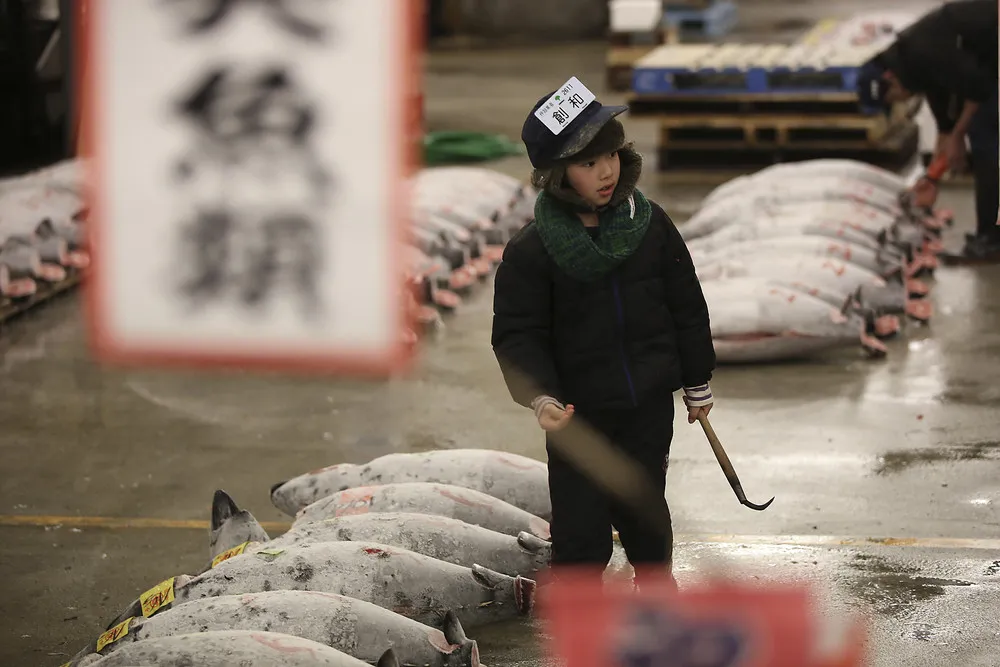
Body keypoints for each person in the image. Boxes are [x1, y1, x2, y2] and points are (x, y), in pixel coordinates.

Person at [490, 76, 717, 588]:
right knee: (580, 527)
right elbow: (518, 333)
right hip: (578, 417)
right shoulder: (532, 251)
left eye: (611, 155)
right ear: (557, 175)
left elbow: (686, 304)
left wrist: (696, 379)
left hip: (647, 405)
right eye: (588, 163)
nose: (606, 171)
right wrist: (540, 395)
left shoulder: (650, 225)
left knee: (646, 511)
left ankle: (656, 589)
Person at [856, 0, 999, 262]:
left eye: (893, 100)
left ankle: (991, 240)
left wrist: (959, 136)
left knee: (986, 139)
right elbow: (945, 127)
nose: (899, 103)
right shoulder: (916, 69)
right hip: (990, 57)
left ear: (890, 80)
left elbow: (980, 90)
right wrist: (932, 178)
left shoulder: (926, 53)